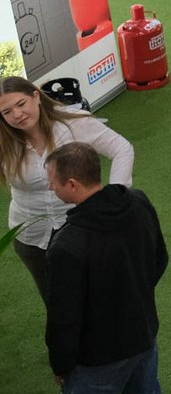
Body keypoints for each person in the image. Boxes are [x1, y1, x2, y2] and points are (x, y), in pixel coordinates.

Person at [44, 141, 167, 394]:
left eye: (52, 182)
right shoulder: (138, 201)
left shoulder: (66, 245)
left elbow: (64, 318)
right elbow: (160, 259)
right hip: (144, 334)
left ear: (72, 184)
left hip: (99, 358)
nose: (50, 187)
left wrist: (60, 365)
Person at [1, 78, 133, 302]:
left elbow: (122, 149)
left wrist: (114, 195)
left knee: (103, 297)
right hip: (31, 238)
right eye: (6, 112)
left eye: (21, 104)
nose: (17, 115)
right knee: (57, 302)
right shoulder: (4, 140)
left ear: (36, 96)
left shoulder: (72, 123)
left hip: (83, 230)